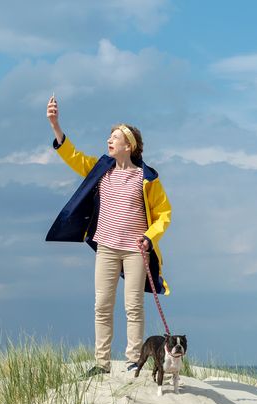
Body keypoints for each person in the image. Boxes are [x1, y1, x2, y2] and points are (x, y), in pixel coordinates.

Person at [45, 94, 172, 377]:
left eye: (114, 138)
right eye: (109, 137)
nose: (109, 141)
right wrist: (56, 126)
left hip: (134, 251)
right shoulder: (101, 170)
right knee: (102, 306)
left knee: (133, 307)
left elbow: (164, 213)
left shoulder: (147, 178)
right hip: (106, 248)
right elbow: (74, 157)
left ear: (129, 145)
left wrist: (150, 237)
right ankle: (101, 363)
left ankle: (132, 361)